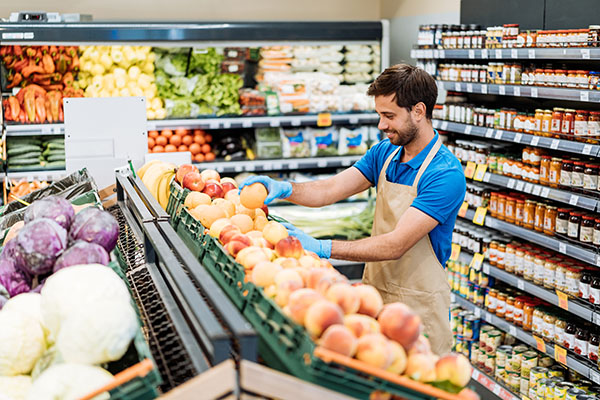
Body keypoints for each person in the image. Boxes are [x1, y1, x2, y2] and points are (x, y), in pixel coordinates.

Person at [240, 64, 466, 354]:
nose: (381, 125)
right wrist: (285, 189)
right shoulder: (384, 153)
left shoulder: (444, 174)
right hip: (373, 298)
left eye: (389, 116)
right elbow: (330, 189)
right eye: (379, 115)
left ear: (419, 111)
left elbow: (395, 245)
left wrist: (323, 248)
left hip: (418, 312)